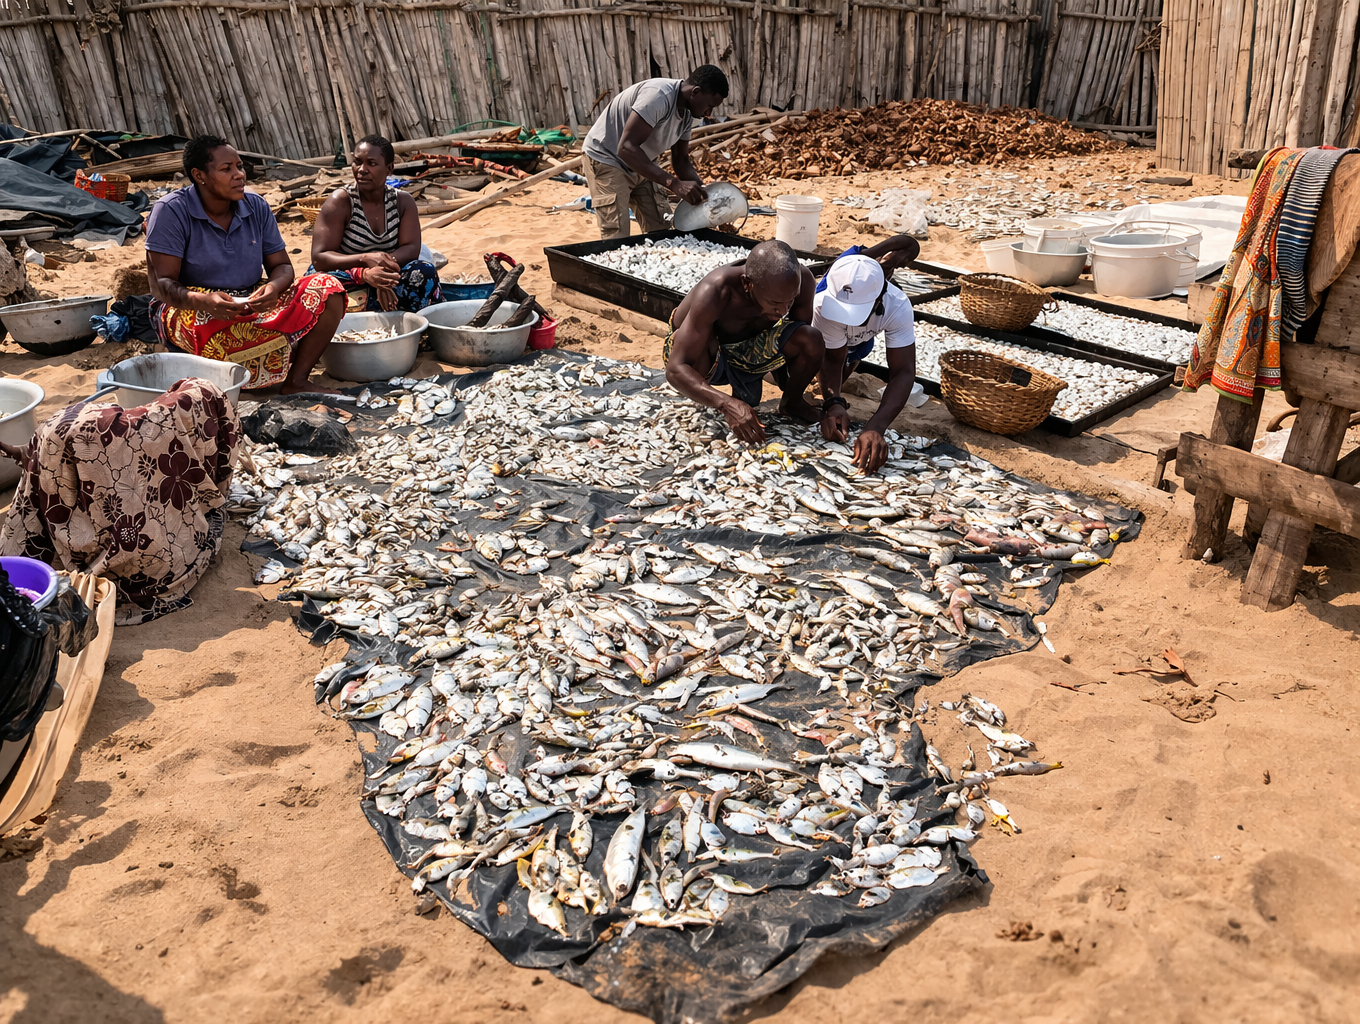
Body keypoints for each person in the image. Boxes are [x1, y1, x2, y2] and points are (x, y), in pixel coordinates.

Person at [0, 378, 240, 625]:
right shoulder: (186, 420)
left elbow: (43, 463)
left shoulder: (55, 436)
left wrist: (33, 451)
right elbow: (218, 467)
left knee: (62, 467)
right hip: (82, 435)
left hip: (64, 431)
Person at [145, 134, 346, 395]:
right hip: (191, 304)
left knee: (328, 288)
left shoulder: (256, 206)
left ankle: (296, 380)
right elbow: (162, 285)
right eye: (226, 169)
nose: (239, 175)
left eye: (239, 166)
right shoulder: (171, 210)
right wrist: (204, 301)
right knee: (218, 329)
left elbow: (283, 266)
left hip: (249, 298)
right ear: (199, 175)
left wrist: (273, 288)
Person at [664, 239, 828, 444]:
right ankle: (729, 397)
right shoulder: (716, 290)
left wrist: (791, 382)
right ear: (747, 284)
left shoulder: (802, 281)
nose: (783, 310)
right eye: (775, 303)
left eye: (791, 301)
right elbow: (675, 369)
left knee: (810, 338)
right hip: (708, 354)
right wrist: (725, 404)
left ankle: (791, 403)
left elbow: (793, 339)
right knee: (692, 345)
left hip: (749, 347)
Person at [815, 234, 922, 473]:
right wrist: (834, 402)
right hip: (832, 341)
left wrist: (876, 426)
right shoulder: (822, 303)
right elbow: (832, 358)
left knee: (858, 349)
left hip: (860, 342)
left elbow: (903, 372)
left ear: (879, 299)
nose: (849, 318)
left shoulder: (897, 305)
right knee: (820, 347)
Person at [582, 65, 729, 239]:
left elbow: (681, 160)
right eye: (710, 106)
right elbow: (626, 148)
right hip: (608, 158)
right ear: (695, 91)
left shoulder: (690, 113)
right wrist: (674, 184)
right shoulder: (658, 97)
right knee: (617, 237)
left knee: (663, 230)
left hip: (643, 161)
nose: (709, 113)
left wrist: (706, 197)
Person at [310, 134, 440, 313]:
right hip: (350, 275)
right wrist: (365, 264)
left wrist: (381, 272)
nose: (362, 170)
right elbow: (320, 258)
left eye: (371, 163)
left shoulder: (402, 202)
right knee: (318, 283)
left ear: (389, 169)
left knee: (425, 271)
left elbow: (411, 248)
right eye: (357, 162)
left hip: (389, 274)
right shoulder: (341, 202)